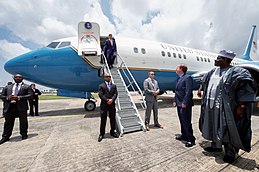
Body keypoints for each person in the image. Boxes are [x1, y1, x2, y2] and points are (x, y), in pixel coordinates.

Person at [198, 50, 257, 163]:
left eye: (218, 58)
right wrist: (201, 88)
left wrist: (241, 106)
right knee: (213, 125)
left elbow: (245, 89)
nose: (215, 60)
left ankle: (231, 152)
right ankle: (216, 146)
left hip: (226, 108)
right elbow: (205, 81)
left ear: (226, 60)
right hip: (211, 107)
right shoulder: (213, 72)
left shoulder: (236, 72)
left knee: (228, 129)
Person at [0, 74, 33, 144]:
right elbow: (2, 95)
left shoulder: (27, 86)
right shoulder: (7, 87)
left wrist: (19, 97)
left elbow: (30, 95)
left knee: (23, 121)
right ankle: (5, 136)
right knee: (8, 122)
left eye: (19, 77)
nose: (18, 78)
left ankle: (24, 134)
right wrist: (7, 98)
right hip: (9, 106)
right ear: (13, 78)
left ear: (22, 78)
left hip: (21, 106)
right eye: (16, 77)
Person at [173, 64, 196, 147]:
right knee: (182, 121)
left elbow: (188, 91)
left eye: (177, 67)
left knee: (186, 121)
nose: (176, 69)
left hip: (184, 104)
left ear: (182, 69)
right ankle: (184, 135)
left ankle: (191, 139)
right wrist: (175, 100)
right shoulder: (179, 79)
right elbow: (177, 91)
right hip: (179, 103)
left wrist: (185, 102)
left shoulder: (188, 78)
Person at [98, 73, 119, 142]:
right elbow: (100, 95)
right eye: (107, 77)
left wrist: (112, 99)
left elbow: (116, 94)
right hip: (104, 104)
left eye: (109, 77)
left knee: (112, 119)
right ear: (104, 78)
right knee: (103, 119)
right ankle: (102, 134)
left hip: (112, 104)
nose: (108, 78)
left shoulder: (114, 86)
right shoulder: (101, 86)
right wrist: (107, 100)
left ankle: (112, 131)